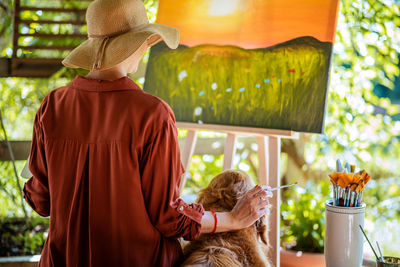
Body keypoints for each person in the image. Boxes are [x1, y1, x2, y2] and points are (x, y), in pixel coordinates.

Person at [22, 0, 272, 266]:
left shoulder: (52, 106)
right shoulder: (153, 115)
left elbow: (41, 201)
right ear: (139, 43)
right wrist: (232, 219)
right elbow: (168, 217)